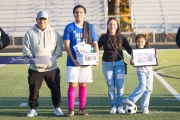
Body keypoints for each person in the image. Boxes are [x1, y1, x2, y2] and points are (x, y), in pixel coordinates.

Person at [22, 10, 64, 117]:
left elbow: (59, 48)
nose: (42, 21)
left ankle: (57, 108)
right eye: (40, 19)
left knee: (55, 88)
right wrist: (34, 61)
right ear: (36, 20)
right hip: (35, 68)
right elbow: (26, 50)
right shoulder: (30, 33)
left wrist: (52, 60)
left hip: (52, 67)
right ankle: (33, 109)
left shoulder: (54, 32)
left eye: (44, 19)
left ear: (48, 20)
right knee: (34, 90)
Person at [63, 4, 99, 117]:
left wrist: (96, 58)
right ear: (73, 14)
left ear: (85, 14)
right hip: (72, 62)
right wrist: (73, 60)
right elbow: (66, 45)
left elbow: (95, 43)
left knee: (83, 84)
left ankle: (82, 109)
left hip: (86, 61)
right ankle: (71, 109)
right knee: (73, 84)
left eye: (81, 12)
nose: (79, 14)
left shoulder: (89, 27)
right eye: (77, 12)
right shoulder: (69, 27)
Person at [98, 18, 132, 114]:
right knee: (111, 87)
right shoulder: (103, 37)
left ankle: (120, 106)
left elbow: (129, 49)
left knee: (120, 86)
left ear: (117, 26)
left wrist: (138, 56)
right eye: (110, 24)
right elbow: (95, 49)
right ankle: (113, 106)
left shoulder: (122, 37)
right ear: (107, 26)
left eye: (114, 24)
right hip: (107, 65)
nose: (112, 26)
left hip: (119, 64)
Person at [123, 34, 155, 114]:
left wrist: (155, 57)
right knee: (142, 86)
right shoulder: (135, 52)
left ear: (145, 42)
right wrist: (132, 61)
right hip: (141, 71)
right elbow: (131, 62)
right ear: (136, 42)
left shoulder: (149, 51)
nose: (140, 43)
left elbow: (152, 59)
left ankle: (144, 107)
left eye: (142, 42)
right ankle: (129, 100)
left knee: (148, 90)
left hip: (149, 71)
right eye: (138, 42)